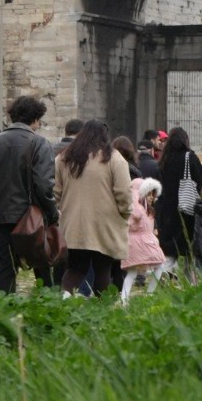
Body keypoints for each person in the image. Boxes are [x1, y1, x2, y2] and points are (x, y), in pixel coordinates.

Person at [0, 96, 58, 292]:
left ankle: (5, 306)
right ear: (35, 118)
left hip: (1, 214)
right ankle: (47, 304)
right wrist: (52, 213)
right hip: (31, 216)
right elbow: (44, 185)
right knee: (42, 265)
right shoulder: (39, 143)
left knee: (5, 269)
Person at [54, 119, 132, 296]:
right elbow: (124, 192)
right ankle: (101, 307)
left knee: (75, 269)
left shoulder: (64, 158)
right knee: (103, 269)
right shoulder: (113, 158)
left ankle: (63, 302)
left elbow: (55, 192)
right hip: (105, 223)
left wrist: (63, 211)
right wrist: (125, 213)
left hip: (73, 224)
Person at [157, 127, 202, 277]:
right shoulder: (190, 157)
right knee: (189, 247)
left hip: (167, 210)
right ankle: (190, 280)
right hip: (187, 209)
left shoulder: (164, 160)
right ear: (185, 140)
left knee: (170, 248)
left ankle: (165, 274)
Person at [119, 178, 167, 299]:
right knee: (157, 265)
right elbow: (129, 225)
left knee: (134, 272)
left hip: (142, 243)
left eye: (152, 195)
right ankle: (147, 295)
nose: (151, 197)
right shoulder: (138, 209)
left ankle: (125, 299)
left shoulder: (146, 209)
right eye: (148, 194)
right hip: (139, 244)